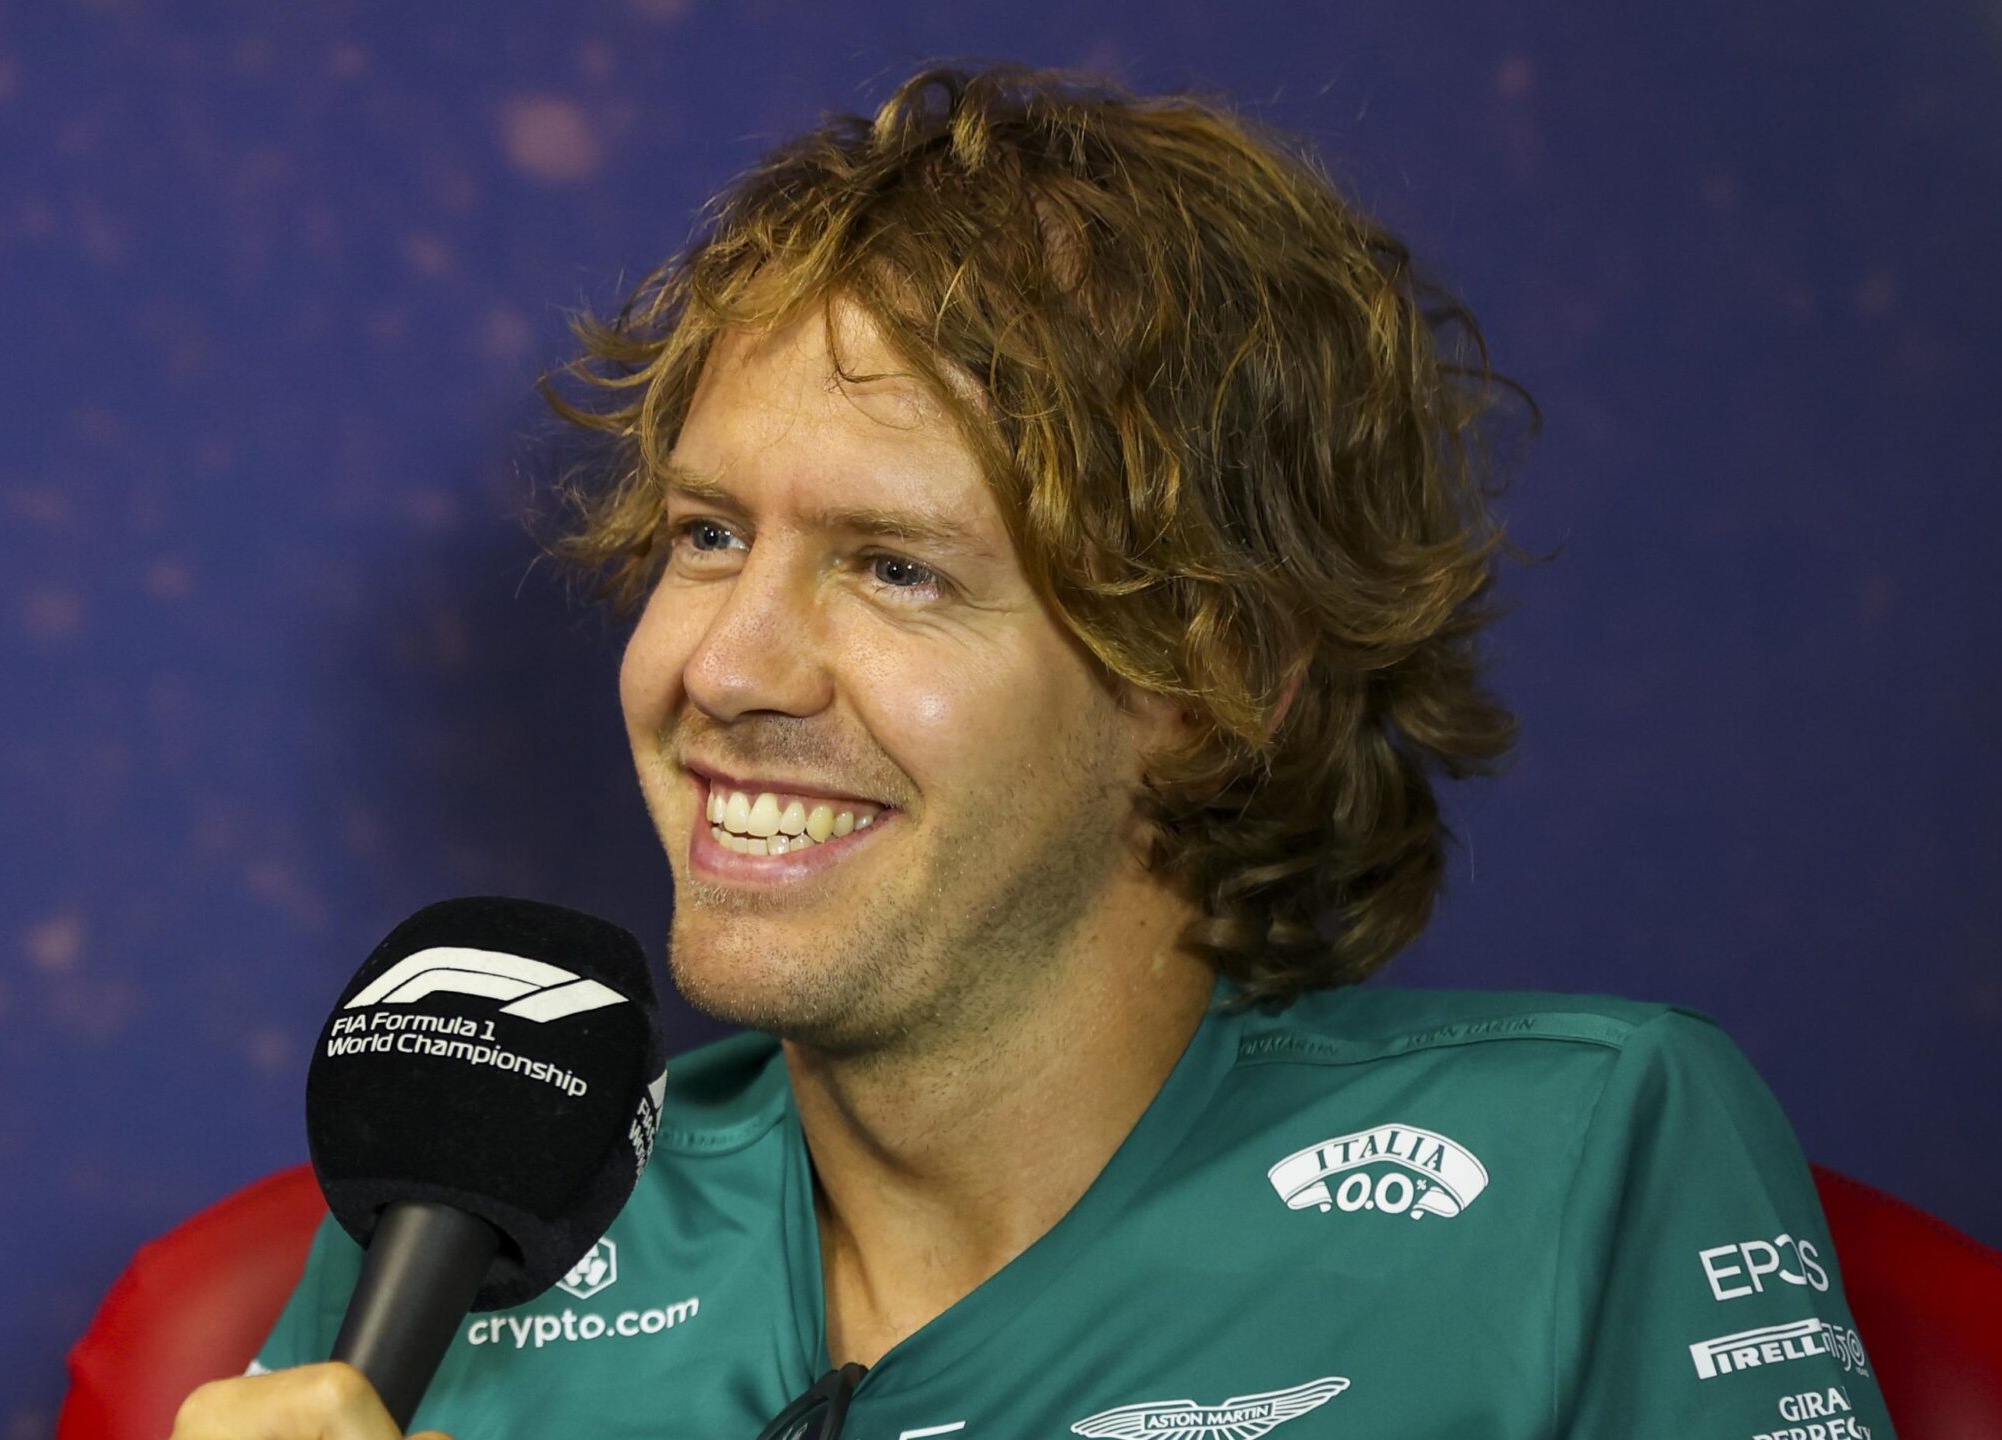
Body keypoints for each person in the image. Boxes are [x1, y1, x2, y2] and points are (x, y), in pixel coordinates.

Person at [173, 63, 1895, 1440]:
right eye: (706, 537)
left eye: (895, 568)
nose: (727, 664)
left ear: (1220, 676)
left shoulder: (1584, 1156)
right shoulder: (458, 1226)